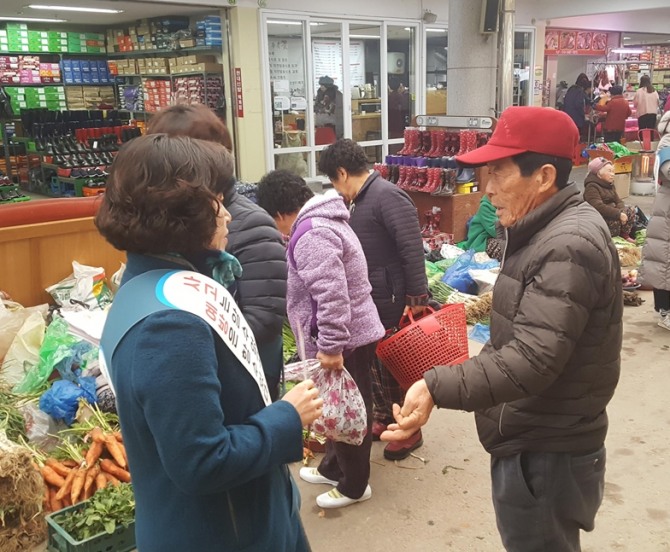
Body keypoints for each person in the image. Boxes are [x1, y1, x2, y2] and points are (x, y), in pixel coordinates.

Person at [382, 106, 622, 552]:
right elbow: (515, 340)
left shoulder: (568, 245)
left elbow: (532, 359)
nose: (487, 190)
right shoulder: (542, 231)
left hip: (547, 449)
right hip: (534, 438)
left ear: (544, 176)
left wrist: (436, 386)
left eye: (498, 173)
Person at [95, 134, 323, 551]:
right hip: (225, 533)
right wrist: (287, 417)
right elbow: (202, 460)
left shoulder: (149, 284)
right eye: (218, 202)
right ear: (182, 217)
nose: (228, 217)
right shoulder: (168, 325)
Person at [257, 170, 385, 509]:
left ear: (281, 213)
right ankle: (333, 467)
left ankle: (355, 486)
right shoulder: (323, 220)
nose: (279, 230)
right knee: (333, 405)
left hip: (346, 339)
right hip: (351, 332)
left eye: (275, 221)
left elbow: (332, 295)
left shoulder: (312, 233)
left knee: (347, 411)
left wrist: (331, 346)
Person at [147, 104, 288, 400]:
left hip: (240, 384)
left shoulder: (251, 225)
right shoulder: (174, 222)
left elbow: (262, 321)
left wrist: (184, 353)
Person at [317, 139, 429, 461]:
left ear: (342, 172)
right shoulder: (358, 200)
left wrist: (417, 295)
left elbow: (411, 248)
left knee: (396, 368)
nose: (336, 189)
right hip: (374, 298)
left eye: (334, 181)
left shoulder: (387, 197)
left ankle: (410, 429)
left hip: (394, 297)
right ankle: (385, 415)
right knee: (377, 366)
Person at [639, 136, 670, 331]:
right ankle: (665, 311)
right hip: (666, 212)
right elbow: (667, 170)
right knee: (663, 261)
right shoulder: (667, 141)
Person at [583, 156, 636, 243]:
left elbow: (618, 200)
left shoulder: (609, 185)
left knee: (631, 210)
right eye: (609, 171)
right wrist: (618, 214)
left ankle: (624, 234)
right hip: (600, 218)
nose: (613, 174)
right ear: (599, 173)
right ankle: (613, 236)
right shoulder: (591, 187)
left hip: (613, 213)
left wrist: (622, 211)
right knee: (617, 219)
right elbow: (598, 206)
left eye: (613, 171)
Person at [563, 73, 593, 140]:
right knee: (576, 136)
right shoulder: (579, 91)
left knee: (569, 135)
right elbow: (578, 104)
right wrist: (583, 115)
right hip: (576, 117)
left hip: (567, 115)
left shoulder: (571, 89)